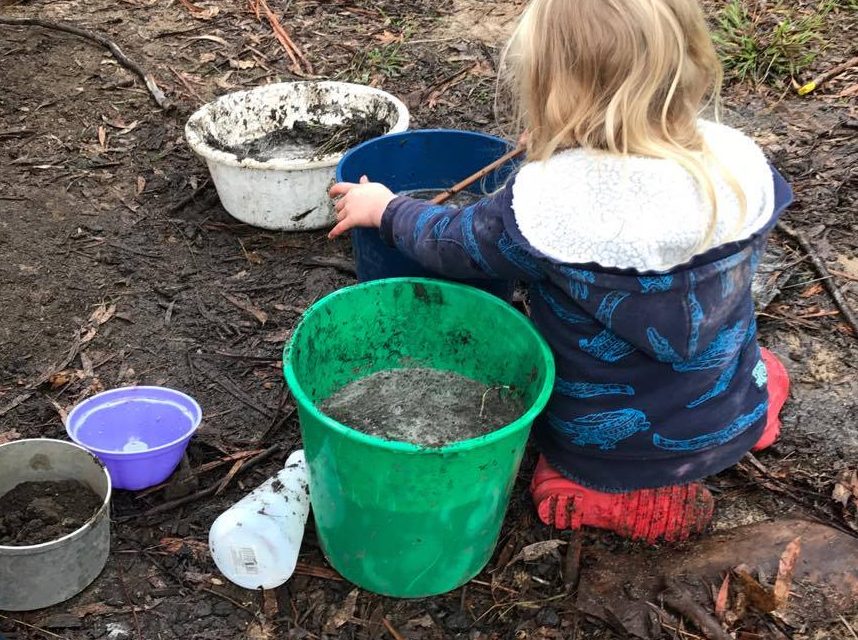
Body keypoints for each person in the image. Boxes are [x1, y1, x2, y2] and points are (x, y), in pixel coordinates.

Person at [327, 0, 793, 544]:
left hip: (612, 440)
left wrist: (385, 209)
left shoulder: (549, 208)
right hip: (729, 398)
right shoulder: (736, 169)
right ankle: (746, 418)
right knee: (736, 365)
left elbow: (454, 243)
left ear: (554, 92)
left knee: (558, 469)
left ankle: (606, 492)